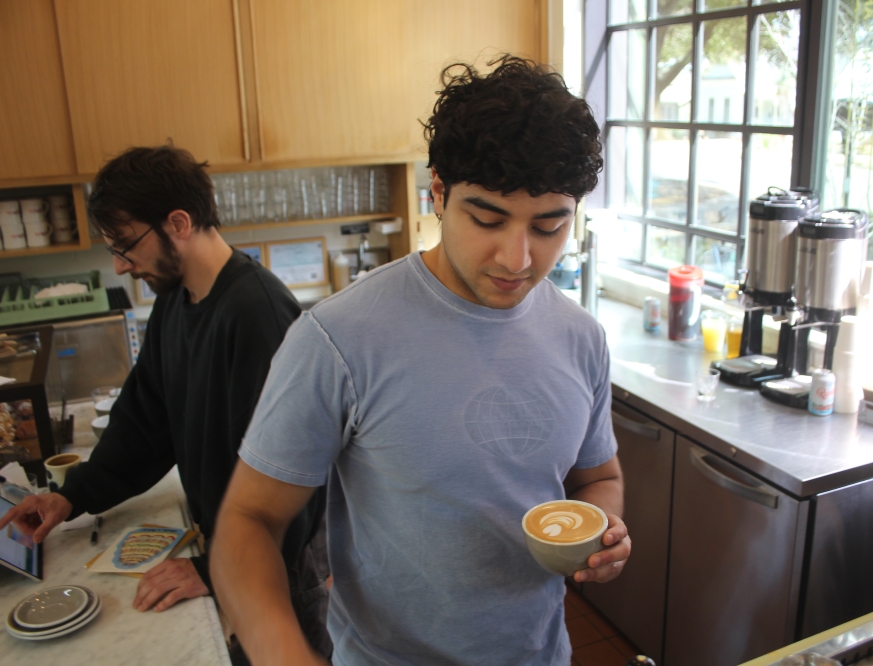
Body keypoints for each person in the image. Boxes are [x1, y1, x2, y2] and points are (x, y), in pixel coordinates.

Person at [210, 55, 629, 665]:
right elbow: (247, 523)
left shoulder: (581, 337)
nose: (517, 258)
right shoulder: (339, 338)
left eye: (548, 226)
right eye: (487, 218)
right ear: (438, 191)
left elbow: (600, 478)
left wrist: (603, 533)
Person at [0, 146, 330, 658]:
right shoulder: (177, 301)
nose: (120, 265)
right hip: (231, 556)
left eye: (126, 246)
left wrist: (213, 571)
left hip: (277, 570)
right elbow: (144, 421)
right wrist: (74, 495)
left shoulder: (255, 315)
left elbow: (294, 480)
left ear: (178, 222)